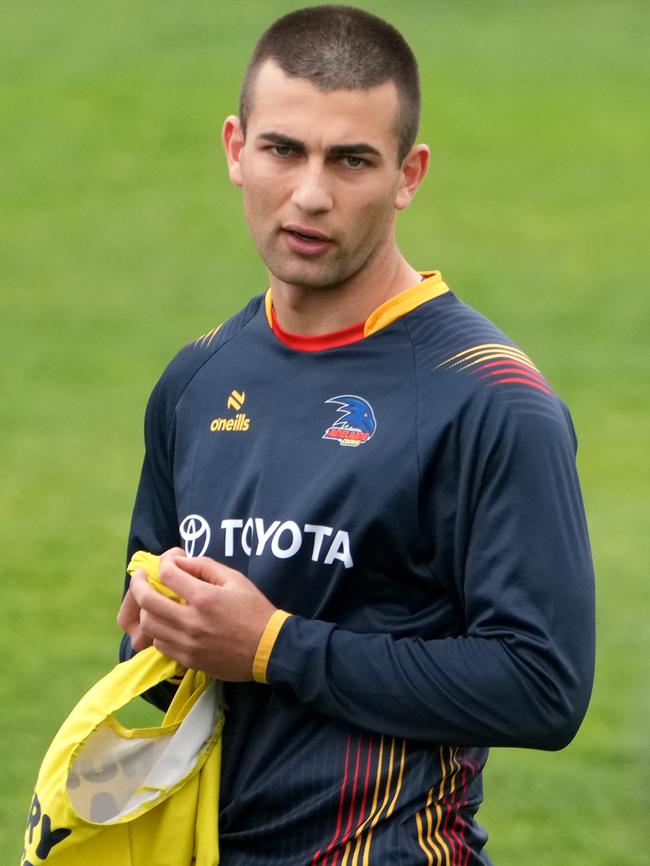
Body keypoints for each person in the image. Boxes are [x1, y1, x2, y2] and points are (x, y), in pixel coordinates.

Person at [117, 6, 595, 864]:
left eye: (351, 161)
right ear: (235, 147)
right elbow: (147, 652)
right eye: (282, 150)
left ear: (408, 174)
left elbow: (542, 687)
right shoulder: (195, 380)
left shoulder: (489, 402)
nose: (309, 194)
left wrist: (272, 646)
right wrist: (158, 629)